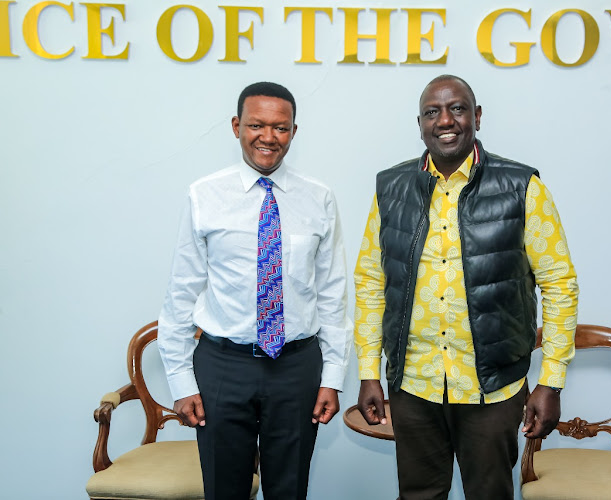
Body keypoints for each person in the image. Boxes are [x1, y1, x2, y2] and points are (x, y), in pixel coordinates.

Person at [353, 75, 579, 500]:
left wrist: (551, 381)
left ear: (476, 117)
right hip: (414, 385)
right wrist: (368, 371)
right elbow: (370, 282)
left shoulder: (522, 186)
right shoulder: (391, 189)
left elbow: (559, 284)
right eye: (432, 112)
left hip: (491, 386)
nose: (445, 120)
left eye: (457, 108)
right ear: (419, 123)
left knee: (489, 494)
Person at [157, 82, 352, 500]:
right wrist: (180, 380)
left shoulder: (318, 198)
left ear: (294, 132)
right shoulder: (204, 195)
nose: (268, 137)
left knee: (289, 490)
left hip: (296, 369)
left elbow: (333, 294)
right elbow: (181, 291)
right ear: (236, 126)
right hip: (223, 366)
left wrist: (332, 376)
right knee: (225, 490)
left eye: (280, 128)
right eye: (256, 125)